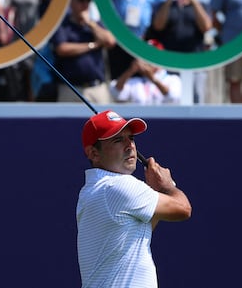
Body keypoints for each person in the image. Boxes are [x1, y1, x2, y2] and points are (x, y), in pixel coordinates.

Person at [77, 110, 192, 287]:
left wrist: (154, 190)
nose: (129, 145)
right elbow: (183, 209)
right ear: (93, 153)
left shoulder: (93, 189)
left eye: (130, 138)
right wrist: (168, 186)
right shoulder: (118, 186)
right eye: (117, 140)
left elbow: (139, 232)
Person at [150, 0, 212, 103]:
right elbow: (158, 25)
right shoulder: (164, 6)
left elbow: (206, 26)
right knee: (171, 101)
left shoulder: (202, 5)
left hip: (195, 64)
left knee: (197, 100)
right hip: (170, 64)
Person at [50, 0, 116, 104]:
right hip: (71, 88)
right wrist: (93, 45)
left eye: (88, 0)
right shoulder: (64, 25)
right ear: (72, 2)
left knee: (103, 122)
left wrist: (90, 24)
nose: (85, 4)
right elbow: (62, 49)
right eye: (81, 0)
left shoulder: (95, 24)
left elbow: (110, 41)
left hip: (96, 88)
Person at [107, 0, 168, 79]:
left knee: (141, 79)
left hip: (142, 40)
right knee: (119, 80)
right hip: (119, 41)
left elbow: (162, 8)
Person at [110, 40, 182, 105]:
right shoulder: (137, 82)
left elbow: (173, 97)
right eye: (145, 56)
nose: (147, 60)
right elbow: (115, 93)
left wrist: (153, 78)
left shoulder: (173, 79)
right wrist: (131, 70)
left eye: (152, 56)